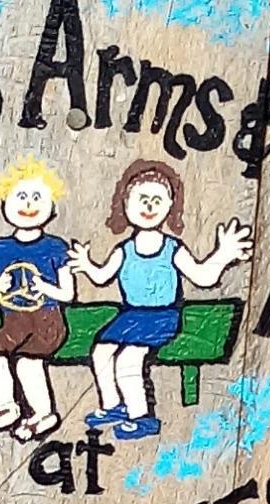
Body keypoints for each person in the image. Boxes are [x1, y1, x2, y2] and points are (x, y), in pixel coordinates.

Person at [67, 159, 252, 440]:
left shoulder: (171, 248)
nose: (149, 206)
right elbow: (102, 275)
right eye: (142, 199)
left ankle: (141, 417)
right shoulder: (125, 249)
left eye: (157, 200)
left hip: (161, 316)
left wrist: (223, 255)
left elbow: (202, 277)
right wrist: (85, 263)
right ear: (126, 205)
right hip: (130, 316)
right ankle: (113, 406)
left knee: (128, 360)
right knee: (101, 353)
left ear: (169, 207)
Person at [0, 156, 74, 442]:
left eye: (37, 197)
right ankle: (5, 406)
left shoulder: (55, 248)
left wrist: (44, 287)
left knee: (28, 361)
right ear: (5, 203)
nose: (28, 204)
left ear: (52, 207)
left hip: (47, 322)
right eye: (21, 196)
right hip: (13, 321)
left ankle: (42, 412)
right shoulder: (0, 248)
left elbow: (68, 293)